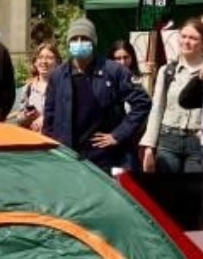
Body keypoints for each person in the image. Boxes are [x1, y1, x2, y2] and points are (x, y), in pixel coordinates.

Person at [44, 17, 151, 171]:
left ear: (93, 42)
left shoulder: (114, 71)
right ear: (69, 43)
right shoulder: (58, 75)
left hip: (104, 157)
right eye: (75, 39)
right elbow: (50, 115)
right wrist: (52, 146)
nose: (79, 42)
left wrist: (118, 135)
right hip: (68, 156)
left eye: (84, 38)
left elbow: (142, 103)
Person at [140, 18, 203, 174]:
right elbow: (157, 109)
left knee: (193, 195)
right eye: (183, 36)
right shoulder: (167, 71)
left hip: (198, 143)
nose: (186, 42)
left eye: (193, 38)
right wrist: (149, 146)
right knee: (167, 193)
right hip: (168, 140)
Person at [11, 42, 59, 134]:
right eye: (40, 57)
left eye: (49, 58)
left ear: (57, 62)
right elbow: (19, 120)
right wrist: (26, 116)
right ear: (35, 62)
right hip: (35, 141)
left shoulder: (63, 87)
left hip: (56, 142)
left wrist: (45, 118)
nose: (44, 62)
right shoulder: (28, 88)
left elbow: (68, 115)